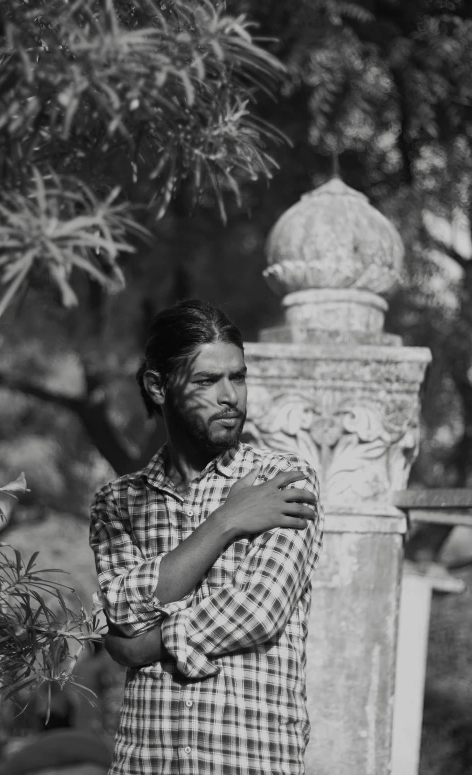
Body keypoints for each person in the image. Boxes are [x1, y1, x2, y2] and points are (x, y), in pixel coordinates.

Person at [89, 300, 324, 775]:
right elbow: (121, 608)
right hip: (145, 764)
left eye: (237, 378)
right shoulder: (117, 503)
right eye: (206, 381)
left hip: (249, 762)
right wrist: (227, 521)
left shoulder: (281, 479)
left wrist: (143, 646)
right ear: (158, 387)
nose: (230, 396)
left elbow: (258, 612)